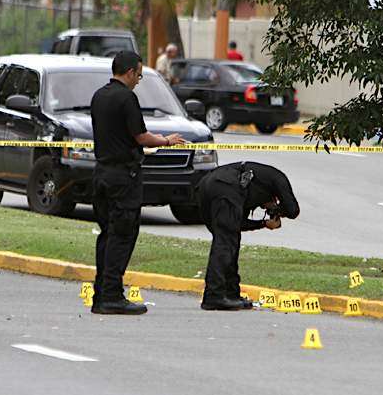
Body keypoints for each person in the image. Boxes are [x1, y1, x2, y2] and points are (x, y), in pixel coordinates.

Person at [90, 51, 187, 315]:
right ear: (130, 72)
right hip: (123, 177)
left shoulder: (99, 96)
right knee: (123, 235)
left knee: (107, 234)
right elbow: (141, 137)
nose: (138, 81)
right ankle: (111, 295)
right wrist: (166, 140)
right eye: (139, 76)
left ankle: (101, 293)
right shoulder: (126, 98)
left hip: (101, 174)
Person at [197, 161, 300, 310]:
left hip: (208, 184)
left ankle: (231, 294)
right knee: (225, 242)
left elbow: (238, 225)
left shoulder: (249, 190)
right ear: (276, 197)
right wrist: (278, 210)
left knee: (230, 239)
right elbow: (293, 211)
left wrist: (263, 223)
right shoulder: (278, 178)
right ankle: (214, 296)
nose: (264, 208)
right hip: (224, 185)